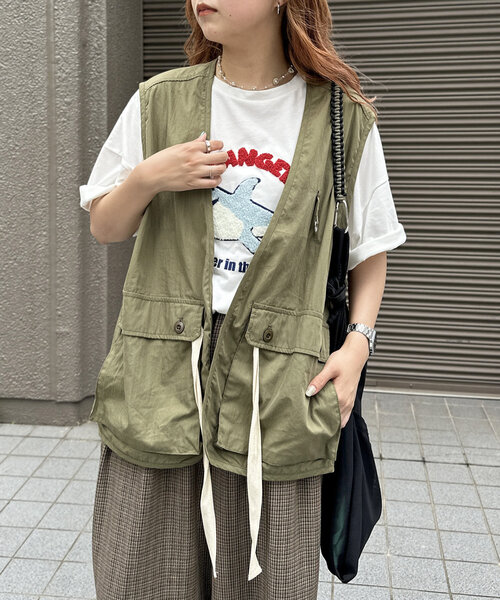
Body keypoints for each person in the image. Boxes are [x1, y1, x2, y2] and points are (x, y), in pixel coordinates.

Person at [80, 1, 406, 598]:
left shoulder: (343, 117)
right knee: (142, 577)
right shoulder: (158, 101)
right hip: (160, 388)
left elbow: (370, 248)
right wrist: (149, 177)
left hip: (278, 395)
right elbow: (105, 226)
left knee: (271, 582)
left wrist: (357, 348)